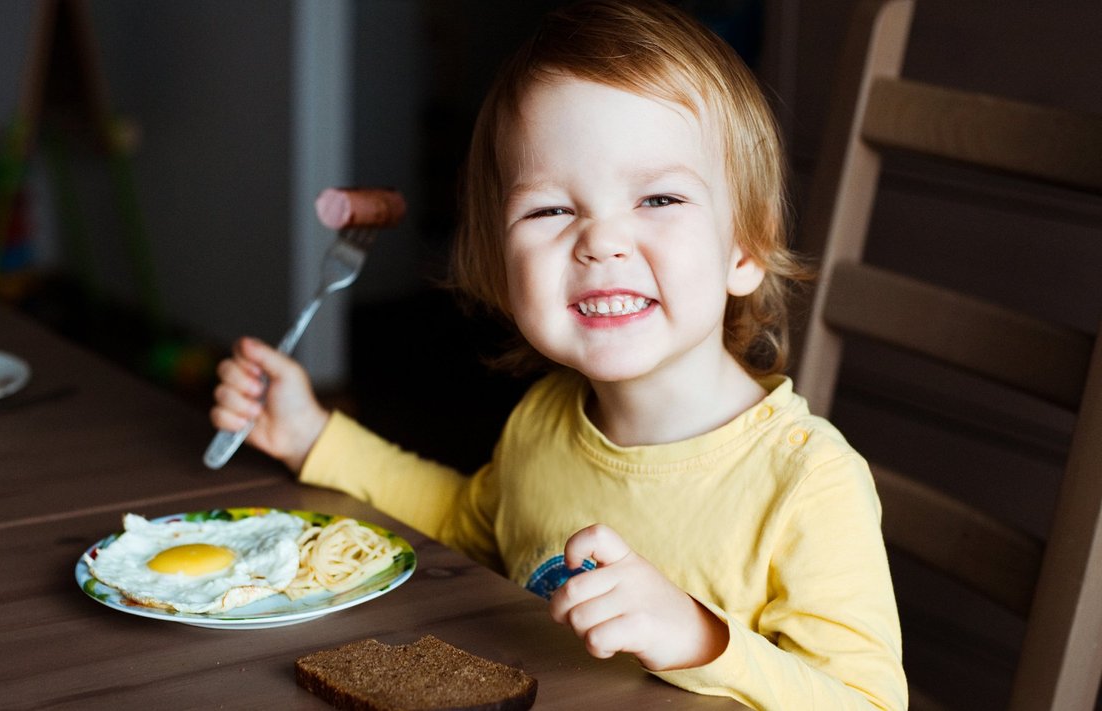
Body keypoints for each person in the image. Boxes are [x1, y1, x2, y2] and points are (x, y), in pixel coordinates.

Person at [211, 1, 906, 708]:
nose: (600, 241)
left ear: (745, 248)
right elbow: (463, 522)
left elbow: (870, 701)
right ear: (501, 264)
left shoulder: (807, 484)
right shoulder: (542, 425)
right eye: (550, 210)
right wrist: (312, 435)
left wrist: (704, 639)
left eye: (659, 198)